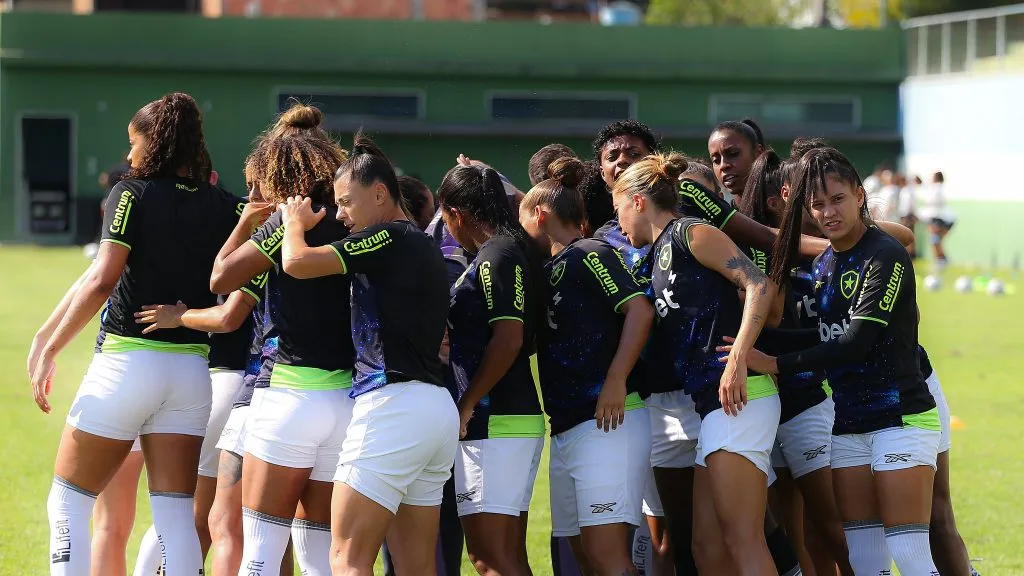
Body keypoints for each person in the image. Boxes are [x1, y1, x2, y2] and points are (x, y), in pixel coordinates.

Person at [30, 92, 240, 576]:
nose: (129, 156)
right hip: (191, 373)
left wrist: (51, 349)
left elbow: (102, 279)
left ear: (157, 141)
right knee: (173, 516)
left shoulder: (131, 193)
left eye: (134, 142)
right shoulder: (225, 205)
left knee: (67, 504)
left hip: (127, 365)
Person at [736, 146, 942, 576]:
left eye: (837, 200)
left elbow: (854, 344)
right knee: (865, 561)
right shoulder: (825, 262)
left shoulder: (885, 255)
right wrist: (748, 342)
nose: (828, 212)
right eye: (818, 205)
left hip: (901, 420)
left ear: (860, 196)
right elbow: (827, 333)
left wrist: (774, 363)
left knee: (909, 555)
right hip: (848, 425)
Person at [276, 133, 456, 576]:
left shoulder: (388, 237)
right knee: (417, 567)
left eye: (346, 203)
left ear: (379, 194)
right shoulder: (420, 243)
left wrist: (292, 222)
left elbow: (297, 263)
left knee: (347, 560)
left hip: (393, 408)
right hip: (436, 411)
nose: (339, 215)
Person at [614, 151, 780, 576]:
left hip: (742, 399)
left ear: (637, 201)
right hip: (713, 407)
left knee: (744, 540)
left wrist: (739, 357)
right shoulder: (655, 254)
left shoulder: (691, 232)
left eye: (618, 210)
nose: (618, 225)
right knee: (706, 547)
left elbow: (759, 283)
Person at [519, 156, 654, 575]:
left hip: (607, 422)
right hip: (567, 427)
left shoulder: (590, 252)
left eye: (520, 217)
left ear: (539, 216)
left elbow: (640, 310)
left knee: (608, 558)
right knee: (583, 557)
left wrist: (616, 379)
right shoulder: (550, 268)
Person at [741, 150, 854, 576]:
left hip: (806, 403)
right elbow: (768, 325)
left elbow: (901, 237)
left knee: (832, 527)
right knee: (792, 534)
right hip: (761, 409)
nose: (823, 204)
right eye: (811, 196)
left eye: (831, 197)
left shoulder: (832, 251)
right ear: (781, 199)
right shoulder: (760, 256)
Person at [437, 163, 546, 575]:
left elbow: (509, 339)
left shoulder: (496, 255)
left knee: (488, 558)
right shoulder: (507, 248)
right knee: (510, 557)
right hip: (509, 419)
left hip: (494, 421)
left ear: (455, 214)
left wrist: (467, 403)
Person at [707, 119, 765, 201]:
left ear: (759, 153)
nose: (723, 166)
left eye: (733, 154)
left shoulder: (783, 204)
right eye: (716, 160)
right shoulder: (720, 212)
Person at [918, 171, 954, 269]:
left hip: (939, 219)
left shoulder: (937, 188)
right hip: (939, 218)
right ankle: (941, 260)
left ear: (936, 178)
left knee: (935, 240)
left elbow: (932, 202)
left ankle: (942, 260)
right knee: (936, 241)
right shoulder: (936, 188)